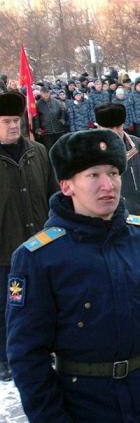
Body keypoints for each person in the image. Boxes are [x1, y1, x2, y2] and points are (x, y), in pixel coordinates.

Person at [6, 128, 140, 421]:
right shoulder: (39, 257)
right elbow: (27, 353)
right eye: (93, 175)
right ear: (67, 186)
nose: (108, 184)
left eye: (114, 172)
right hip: (84, 402)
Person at [0, 92, 58, 382]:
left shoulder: (38, 151)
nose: (13, 126)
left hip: (40, 247)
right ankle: (5, 356)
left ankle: (43, 350)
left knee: (41, 304)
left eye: (16, 120)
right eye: (6, 121)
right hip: (4, 253)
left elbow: (53, 195)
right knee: (7, 307)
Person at [95, 103, 140, 222]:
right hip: (108, 221)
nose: (115, 132)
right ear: (99, 128)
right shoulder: (89, 152)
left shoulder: (138, 146)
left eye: (118, 127)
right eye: (109, 129)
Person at [35, 86, 67, 151]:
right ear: (41, 94)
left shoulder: (57, 102)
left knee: (60, 148)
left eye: (47, 92)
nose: (46, 94)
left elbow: (63, 110)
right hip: (46, 131)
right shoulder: (38, 104)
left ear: (49, 92)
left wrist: (62, 119)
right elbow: (36, 117)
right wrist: (38, 128)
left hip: (58, 129)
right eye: (44, 93)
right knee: (50, 149)